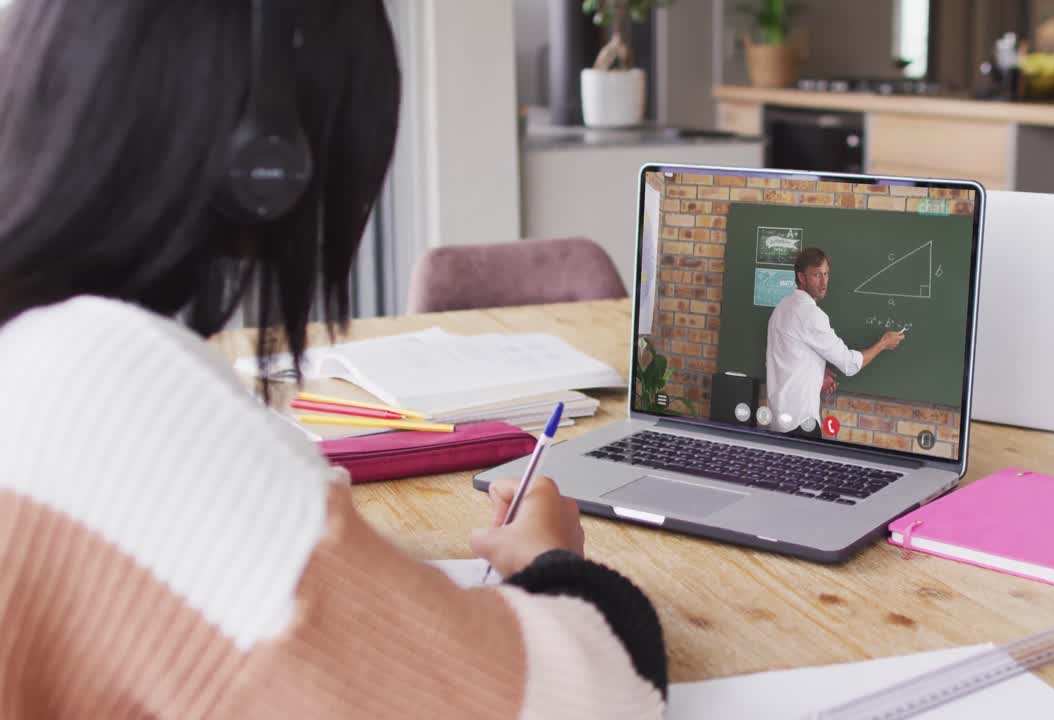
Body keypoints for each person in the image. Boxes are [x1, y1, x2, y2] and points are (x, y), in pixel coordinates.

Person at [0, 2, 666, 718]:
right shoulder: (102, 386)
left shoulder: (37, 355)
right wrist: (552, 564)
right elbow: (590, 697)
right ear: (269, 161)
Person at [766, 248, 903, 437]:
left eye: (826, 274)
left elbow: (789, 357)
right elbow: (849, 364)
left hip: (778, 420)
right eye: (816, 275)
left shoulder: (782, 307)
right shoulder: (811, 315)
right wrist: (883, 343)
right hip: (800, 424)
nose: (823, 282)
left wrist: (816, 373)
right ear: (802, 277)